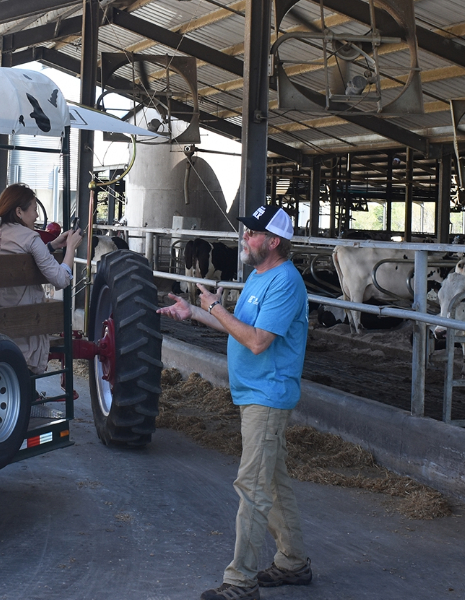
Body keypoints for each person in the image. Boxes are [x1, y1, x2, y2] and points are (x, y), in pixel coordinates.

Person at [157, 205, 312, 600]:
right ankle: (293, 562)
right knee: (272, 483)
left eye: (253, 233)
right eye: (246, 232)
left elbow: (258, 341)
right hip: (251, 393)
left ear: (273, 242)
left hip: (268, 396)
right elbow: (238, 330)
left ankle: (241, 582)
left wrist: (215, 308)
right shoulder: (259, 278)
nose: (245, 238)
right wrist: (194, 311)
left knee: (253, 487)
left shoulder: (285, 282)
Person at [0, 183, 81, 374]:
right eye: (34, 209)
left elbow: (23, 258)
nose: (37, 215)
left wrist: (52, 245)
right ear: (19, 212)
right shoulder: (30, 237)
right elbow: (60, 279)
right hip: (23, 330)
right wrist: (71, 247)